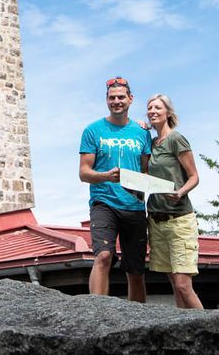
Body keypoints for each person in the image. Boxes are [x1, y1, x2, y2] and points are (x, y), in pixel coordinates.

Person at [79, 76, 152, 301]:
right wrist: (106, 176)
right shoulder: (93, 130)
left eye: (121, 97)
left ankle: (139, 321)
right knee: (103, 256)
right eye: (112, 98)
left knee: (136, 270)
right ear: (106, 100)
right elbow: (84, 173)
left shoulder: (142, 132)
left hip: (134, 206)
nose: (116, 101)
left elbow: (145, 172)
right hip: (104, 202)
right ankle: (97, 312)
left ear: (131, 99)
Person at [146, 94, 203, 309]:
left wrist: (180, 192)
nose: (152, 111)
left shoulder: (176, 139)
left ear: (168, 113)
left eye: (157, 107)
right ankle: (185, 333)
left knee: (183, 285)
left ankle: (210, 328)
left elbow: (194, 176)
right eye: (149, 108)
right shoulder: (150, 143)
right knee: (173, 284)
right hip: (156, 220)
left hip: (179, 219)